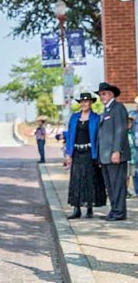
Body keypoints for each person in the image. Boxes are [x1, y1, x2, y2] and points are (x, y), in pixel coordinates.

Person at [64, 93, 106, 219]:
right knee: (76, 179)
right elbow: (70, 136)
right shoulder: (74, 117)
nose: (84, 104)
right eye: (82, 102)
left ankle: (89, 208)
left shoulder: (96, 118)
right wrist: (68, 154)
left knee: (90, 179)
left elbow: (99, 137)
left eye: (86, 101)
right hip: (77, 152)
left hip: (89, 152)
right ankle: (76, 209)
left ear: (91, 103)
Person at [96, 82, 129, 221]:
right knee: (110, 186)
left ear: (111, 94)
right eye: (100, 94)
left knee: (118, 185)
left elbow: (120, 131)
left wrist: (116, 151)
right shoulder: (106, 111)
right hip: (105, 156)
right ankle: (114, 210)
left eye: (103, 94)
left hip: (115, 155)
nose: (101, 97)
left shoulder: (118, 108)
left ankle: (119, 212)